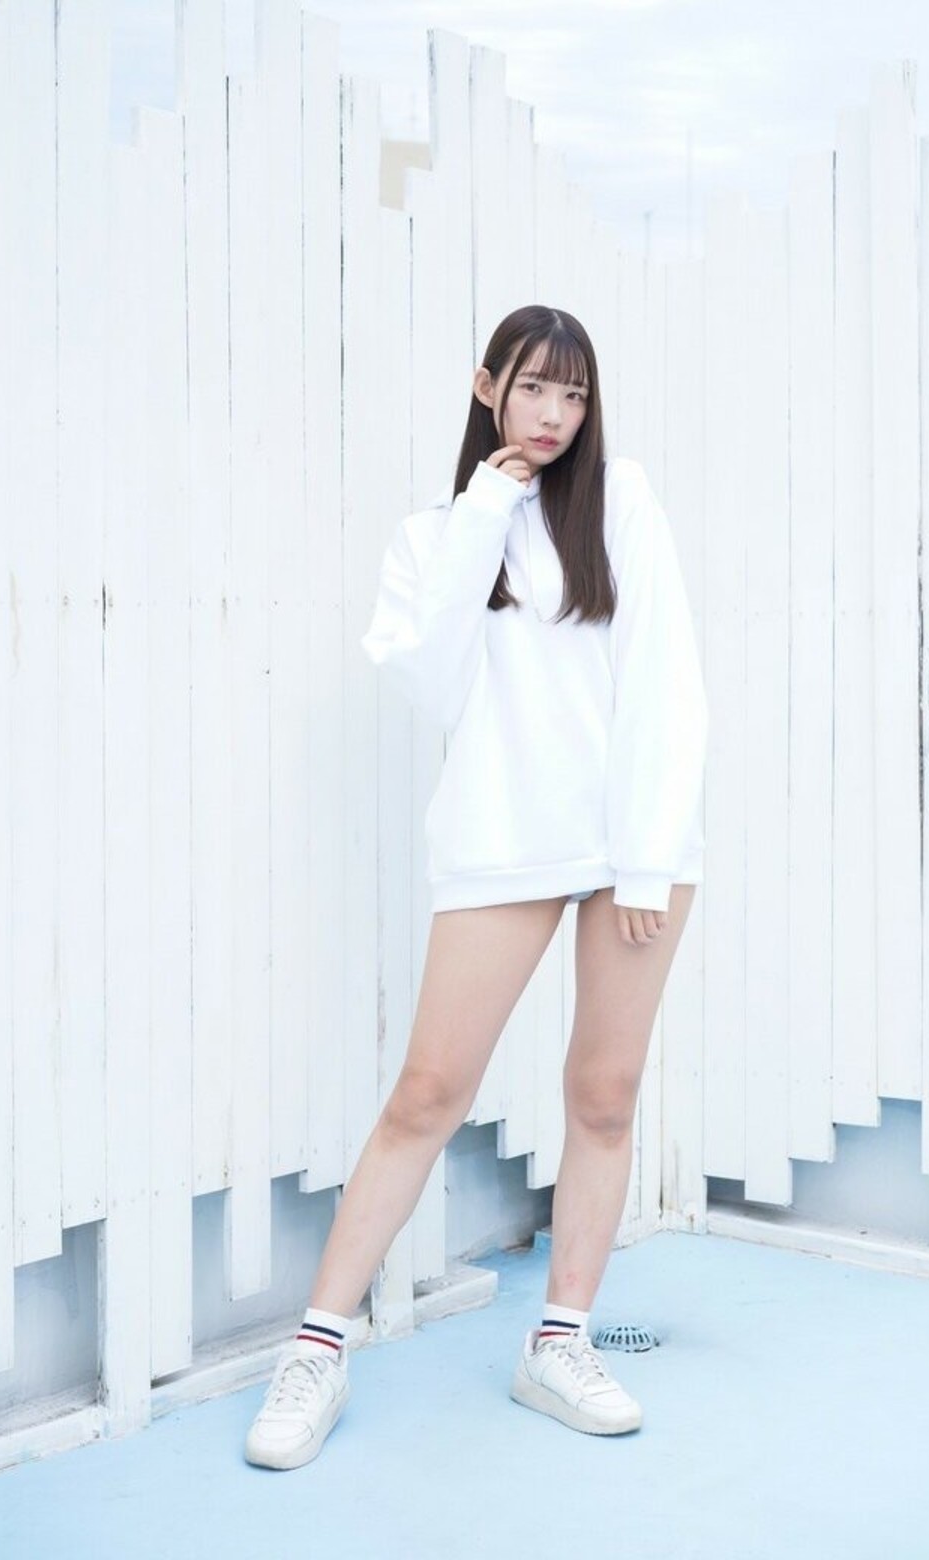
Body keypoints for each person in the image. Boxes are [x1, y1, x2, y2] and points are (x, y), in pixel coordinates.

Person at [244, 303, 708, 1470]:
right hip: (506, 841)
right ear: (487, 386)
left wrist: (647, 852)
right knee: (428, 1092)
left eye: (575, 395)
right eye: (534, 388)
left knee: (604, 1096)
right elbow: (430, 678)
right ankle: (318, 1349)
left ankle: (560, 1341)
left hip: (634, 850)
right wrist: (487, 508)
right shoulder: (437, 535)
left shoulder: (622, 501)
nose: (554, 415)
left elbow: (665, 678)